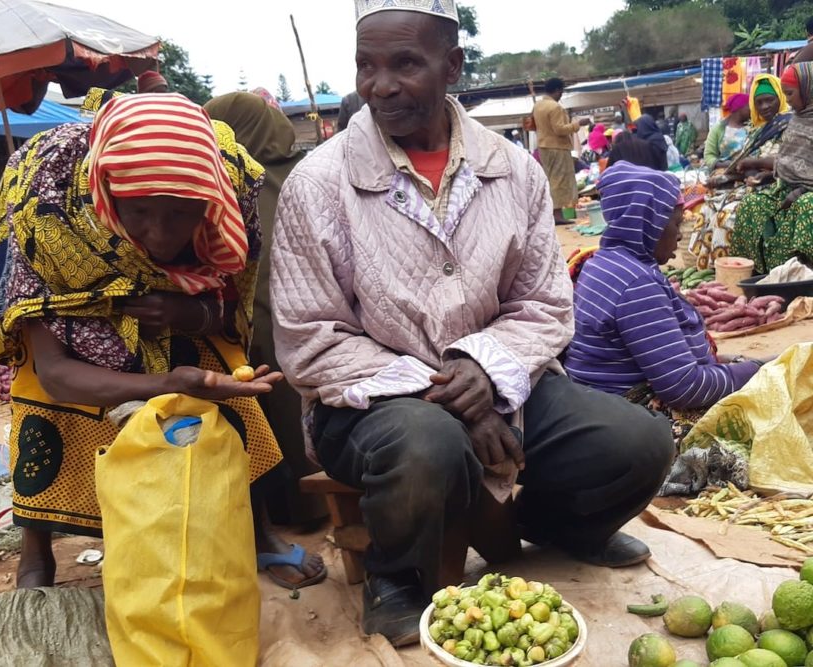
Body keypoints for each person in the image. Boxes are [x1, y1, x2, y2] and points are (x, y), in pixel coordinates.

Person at [271, 1, 675, 647]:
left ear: (453, 66)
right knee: (428, 443)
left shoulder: (513, 170)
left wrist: (484, 367)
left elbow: (545, 303)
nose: (380, 85)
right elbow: (310, 339)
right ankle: (395, 576)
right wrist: (443, 387)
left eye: (405, 63)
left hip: (501, 382)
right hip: (368, 402)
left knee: (643, 444)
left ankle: (557, 526)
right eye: (366, 66)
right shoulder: (318, 183)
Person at [0, 89, 326, 591]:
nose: (159, 236)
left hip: (172, 312)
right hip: (70, 320)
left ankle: (257, 530)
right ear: (104, 191)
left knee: (231, 391)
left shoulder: (234, 190)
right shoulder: (48, 215)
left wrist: (193, 310)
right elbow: (55, 373)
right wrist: (162, 383)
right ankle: (37, 549)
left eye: (181, 214)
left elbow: (232, 306)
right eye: (137, 212)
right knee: (40, 414)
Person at [565, 161, 761, 440]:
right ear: (648, 222)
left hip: (601, 407)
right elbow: (683, 386)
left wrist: (739, 363)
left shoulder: (606, 263)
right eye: (676, 223)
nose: (680, 234)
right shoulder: (635, 285)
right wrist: (752, 371)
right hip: (631, 421)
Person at [203, 92, 327, 528]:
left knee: (272, 408)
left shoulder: (235, 180)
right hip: (317, 321)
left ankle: (289, 510)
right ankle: (314, 504)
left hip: (264, 322)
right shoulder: (306, 173)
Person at [689, 74, 792, 269]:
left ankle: (735, 269)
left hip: (778, 187)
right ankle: (712, 270)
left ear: (781, 97)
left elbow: (790, 164)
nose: (764, 107)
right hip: (751, 187)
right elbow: (742, 168)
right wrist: (721, 179)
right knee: (709, 207)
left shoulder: (790, 126)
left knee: (725, 216)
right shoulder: (756, 131)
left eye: (770, 100)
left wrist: (763, 173)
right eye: (759, 102)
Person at [732, 63, 813, 273]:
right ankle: (758, 273)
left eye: (790, 93)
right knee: (751, 203)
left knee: (806, 206)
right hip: (788, 188)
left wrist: (802, 190)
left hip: (808, 195)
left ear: (808, 89)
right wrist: (764, 172)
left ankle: (802, 275)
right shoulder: (798, 119)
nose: (788, 100)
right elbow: (789, 161)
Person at [533, 77, 591, 224]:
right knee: (560, 181)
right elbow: (559, 129)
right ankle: (557, 214)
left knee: (552, 179)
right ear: (558, 90)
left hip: (544, 146)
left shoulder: (538, 105)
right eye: (561, 92)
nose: (561, 95)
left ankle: (555, 213)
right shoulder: (555, 107)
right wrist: (578, 124)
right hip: (557, 146)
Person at [704, 93, 751, 168]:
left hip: (749, 172)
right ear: (739, 108)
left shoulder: (752, 127)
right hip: (724, 171)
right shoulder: (718, 129)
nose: (752, 109)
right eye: (749, 106)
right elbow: (709, 156)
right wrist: (727, 165)